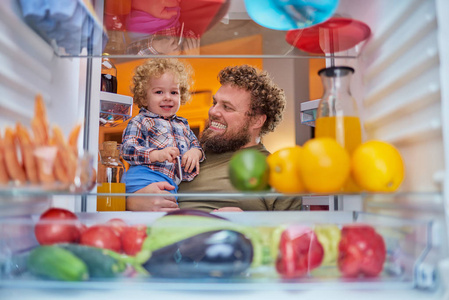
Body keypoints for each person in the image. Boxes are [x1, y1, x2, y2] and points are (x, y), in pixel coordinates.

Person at [126, 65, 302, 212]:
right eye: (214, 103)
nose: (213, 111)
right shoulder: (185, 152)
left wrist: (250, 224)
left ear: (257, 120)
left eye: (227, 107)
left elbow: (295, 241)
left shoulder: (278, 171)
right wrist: (131, 203)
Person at [120, 58, 204, 198]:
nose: (167, 98)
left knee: (168, 209)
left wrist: (195, 152)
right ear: (144, 97)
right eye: (159, 92)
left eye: (173, 92)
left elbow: (196, 145)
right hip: (143, 178)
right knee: (166, 209)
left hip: (169, 181)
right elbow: (127, 149)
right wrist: (156, 155)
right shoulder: (140, 121)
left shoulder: (183, 124)